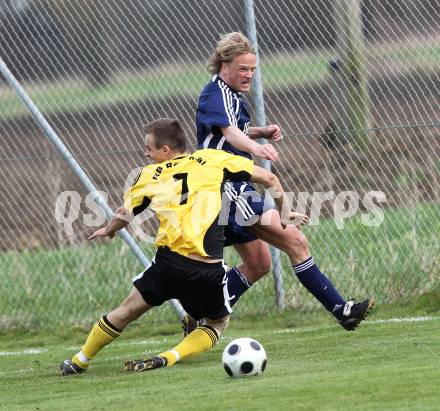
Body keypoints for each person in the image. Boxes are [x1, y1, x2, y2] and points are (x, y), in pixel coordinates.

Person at [60, 118, 304, 375]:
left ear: (165, 151)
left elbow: (124, 213)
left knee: (126, 311)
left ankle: (79, 360)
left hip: (168, 265)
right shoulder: (213, 159)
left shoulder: (148, 175)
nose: (146, 153)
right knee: (216, 324)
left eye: (149, 148)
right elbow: (269, 177)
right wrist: (285, 214)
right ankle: (170, 356)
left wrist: (108, 230)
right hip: (206, 269)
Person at [190, 32, 374, 333]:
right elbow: (229, 133)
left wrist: (260, 132)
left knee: (260, 263)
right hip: (226, 188)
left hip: (233, 187)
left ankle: (200, 315)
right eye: (243, 68)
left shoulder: (230, 93)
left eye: (252, 69)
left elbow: (233, 131)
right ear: (224, 65)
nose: (249, 74)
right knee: (296, 241)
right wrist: (256, 148)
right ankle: (342, 309)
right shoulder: (215, 93)